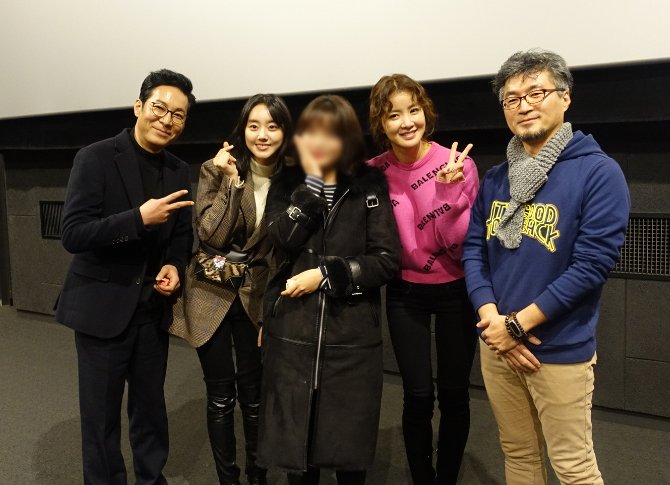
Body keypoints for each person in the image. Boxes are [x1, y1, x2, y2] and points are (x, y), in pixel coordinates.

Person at [462, 49, 630, 485]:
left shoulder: (599, 173)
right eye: (512, 98)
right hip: (497, 344)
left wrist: (517, 326)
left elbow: (591, 267)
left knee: (573, 467)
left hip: (556, 349)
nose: (524, 105)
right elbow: (474, 251)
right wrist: (493, 321)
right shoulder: (496, 178)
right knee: (519, 455)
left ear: (565, 97)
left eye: (536, 93)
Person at [56, 69, 196, 484]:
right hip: (101, 310)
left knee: (150, 410)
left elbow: (181, 236)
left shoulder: (177, 169)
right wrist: (137, 219)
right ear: (139, 106)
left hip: (151, 311)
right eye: (159, 108)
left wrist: (175, 266)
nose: (167, 120)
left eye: (178, 115)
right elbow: (73, 234)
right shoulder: (95, 157)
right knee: (100, 418)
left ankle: (151, 480)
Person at [256, 95, 401, 485]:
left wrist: (325, 274)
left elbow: (386, 260)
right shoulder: (287, 184)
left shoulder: (369, 186)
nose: (320, 142)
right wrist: (311, 188)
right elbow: (282, 239)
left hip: (351, 339)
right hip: (293, 332)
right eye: (311, 133)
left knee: (347, 451)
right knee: (298, 453)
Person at [169, 94, 292, 485]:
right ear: (242, 130)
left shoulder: (294, 178)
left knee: (255, 395)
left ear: (285, 132)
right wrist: (233, 184)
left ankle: (257, 477)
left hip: (258, 294)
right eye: (254, 126)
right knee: (220, 396)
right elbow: (212, 234)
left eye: (272, 126)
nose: (262, 135)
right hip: (212, 289)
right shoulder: (217, 168)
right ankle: (228, 479)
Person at [367, 74, 479, 485]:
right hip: (405, 292)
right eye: (393, 115)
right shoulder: (373, 173)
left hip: (456, 290)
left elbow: (460, 246)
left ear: (425, 113)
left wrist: (449, 193)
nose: (406, 122)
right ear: (381, 124)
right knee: (417, 396)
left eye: (413, 110)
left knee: (454, 394)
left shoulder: (458, 164)